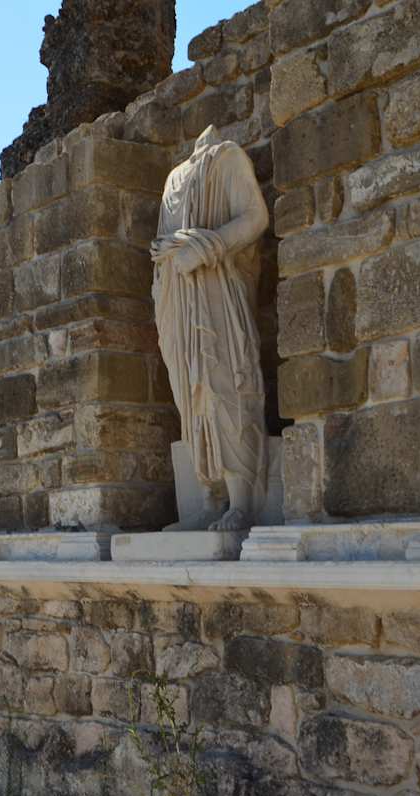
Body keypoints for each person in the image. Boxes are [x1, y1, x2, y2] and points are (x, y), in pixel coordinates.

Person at [152, 125, 270, 532]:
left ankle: (242, 501)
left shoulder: (227, 156)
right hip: (177, 297)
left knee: (223, 381)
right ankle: (209, 498)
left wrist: (207, 248)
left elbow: (255, 217)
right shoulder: (174, 177)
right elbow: (163, 240)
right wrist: (167, 254)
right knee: (190, 393)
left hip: (217, 287)